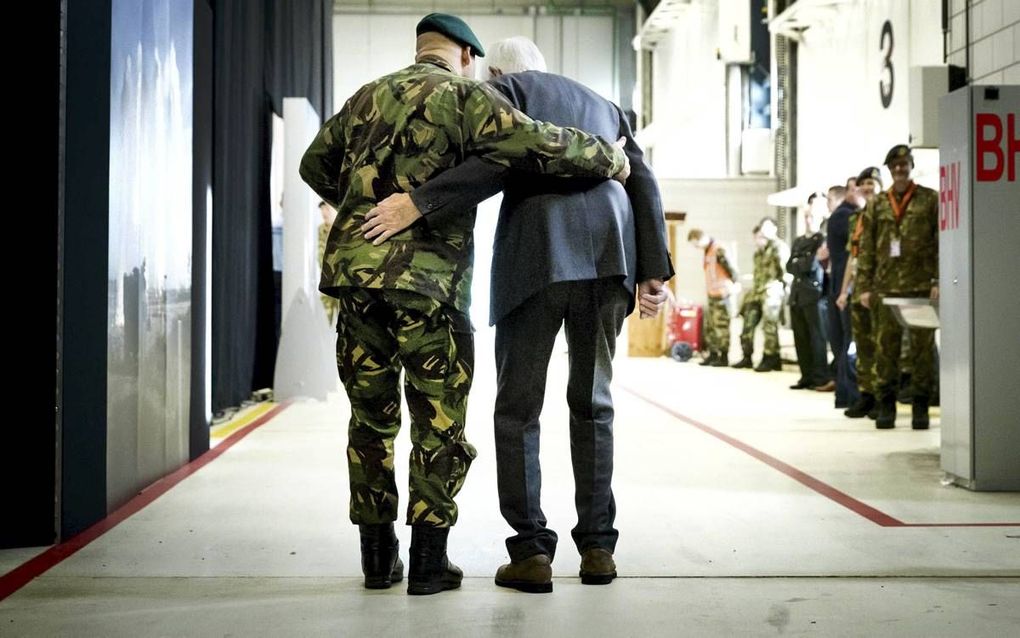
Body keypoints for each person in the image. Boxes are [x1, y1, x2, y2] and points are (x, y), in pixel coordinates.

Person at [299, 15, 630, 596]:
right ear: (469, 56)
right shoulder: (464, 95)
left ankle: (377, 561)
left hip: (355, 281)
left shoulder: (366, 96)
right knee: (437, 423)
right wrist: (609, 157)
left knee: (369, 423)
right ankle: (429, 564)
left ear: (421, 48)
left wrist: (357, 205)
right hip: (429, 284)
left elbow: (313, 164)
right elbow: (536, 143)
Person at [360, 37, 672, 594]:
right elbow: (643, 178)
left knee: (518, 409)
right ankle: (598, 547)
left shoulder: (501, 92)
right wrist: (654, 270)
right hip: (608, 260)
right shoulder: (603, 102)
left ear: (497, 70)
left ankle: (531, 553)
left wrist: (418, 201)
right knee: (594, 403)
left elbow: (490, 162)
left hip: (537, 259)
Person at [856, 144, 939, 429]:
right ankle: (886, 406)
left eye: (904, 164)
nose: (900, 169)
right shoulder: (877, 204)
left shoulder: (930, 200)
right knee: (885, 350)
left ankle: (920, 407)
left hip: (919, 289)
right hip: (885, 289)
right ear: (890, 170)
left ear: (911, 166)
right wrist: (864, 287)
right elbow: (866, 248)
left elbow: (941, 242)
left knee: (922, 352)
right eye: (895, 166)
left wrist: (937, 280)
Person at [838, 166, 883, 418]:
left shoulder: (887, 212)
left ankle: (881, 397)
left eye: (872, 182)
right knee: (863, 346)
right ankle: (866, 395)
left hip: (880, 287)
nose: (867, 187)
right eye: (864, 183)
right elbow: (851, 258)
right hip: (859, 289)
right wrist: (844, 290)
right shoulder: (857, 218)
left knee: (881, 346)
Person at [787, 197, 831, 390]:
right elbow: (790, 266)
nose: (808, 220)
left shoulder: (821, 239)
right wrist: (800, 263)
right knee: (801, 338)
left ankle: (820, 376)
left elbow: (811, 265)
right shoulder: (798, 241)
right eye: (806, 216)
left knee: (816, 337)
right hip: (797, 294)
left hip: (814, 294)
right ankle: (806, 375)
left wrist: (800, 263)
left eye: (811, 216)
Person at [823, 183, 861, 408]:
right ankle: (848, 392)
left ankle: (845, 392)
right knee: (849, 341)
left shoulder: (842, 216)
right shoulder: (845, 217)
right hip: (844, 287)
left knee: (845, 340)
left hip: (840, 286)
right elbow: (852, 256)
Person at [733, 219, 784, 372]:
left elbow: (784, 271)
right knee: (748, 322)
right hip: (757, 292)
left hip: (771, 291)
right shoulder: (758, 253)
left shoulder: (778, 247)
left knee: (769, 326)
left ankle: (771, 357)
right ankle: (747, 356)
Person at [687, 229, 735, 367]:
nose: (696, 247)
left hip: (722, 294)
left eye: (696, 244)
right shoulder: (707, 250)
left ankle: (723, 357)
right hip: (712, 293)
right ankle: (713, 354)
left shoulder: (718, 249)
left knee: (721, 326)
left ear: (701, 238)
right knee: (711, 326)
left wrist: (732, 286)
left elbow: (731, 269)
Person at [317, 200, 339, 325]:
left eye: (327, 208)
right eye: (322, 209)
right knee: (325, 321)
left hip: (341, 282)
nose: (324, 212)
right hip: (326, 282)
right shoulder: (320, 230)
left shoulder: (342, 230)